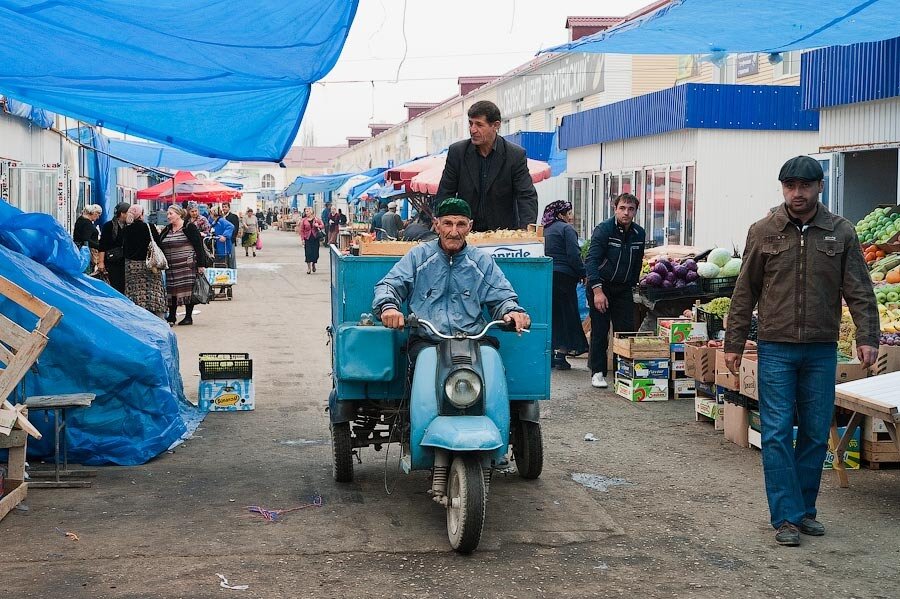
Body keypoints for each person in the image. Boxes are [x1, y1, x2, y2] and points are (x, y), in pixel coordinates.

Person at [724, 156, 879, 547]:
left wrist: (868, 336)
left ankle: (805, 510)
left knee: (813, 432)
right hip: (775, 347)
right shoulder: (763, 231)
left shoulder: (840, 232)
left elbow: (859, 288)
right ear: (782, 188)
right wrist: (734, 342)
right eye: (790, 186)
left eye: (805, 186)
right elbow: (745, 290)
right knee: (776, 432)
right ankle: (786, 518)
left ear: (819, 187)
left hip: (821, 349)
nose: (797, 193)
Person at [374, 198, 530, 370]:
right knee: (423, 374)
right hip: (428, 340)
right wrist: (388, 307)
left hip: (473, 339)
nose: (454, 232)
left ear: (470, 227)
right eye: (448, 223)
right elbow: (390, 285)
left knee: (492, 367)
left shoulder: (482, 260)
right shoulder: (418, 256)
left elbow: (501, 296)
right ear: (437, 224)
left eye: (461, 224)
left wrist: (512, 312)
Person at [435, 100, 538, 232]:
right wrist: (443, 223)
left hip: (502, 235)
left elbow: (526, 196)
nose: (473, 130)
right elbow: (445, 192)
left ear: (495, 125)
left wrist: (527, 231)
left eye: (479, 124)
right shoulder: (457, 152)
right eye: (470, 123)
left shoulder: (515, 155)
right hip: (463, 234)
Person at [585, 193, 646, 389]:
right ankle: (598, 372)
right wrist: (597, 291)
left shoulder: (639, 233)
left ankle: (624, 372)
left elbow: (637, 262)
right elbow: (591, 260)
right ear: (615, 208)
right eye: (622, 208)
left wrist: (634, 285)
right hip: (601, 285)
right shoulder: (604, 230)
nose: (626, 213)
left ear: (636, 211)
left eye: (631, 209)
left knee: (625, 331)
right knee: (600, 330)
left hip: (623, 288)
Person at [543, 200, 589, 370]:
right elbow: (573, 255)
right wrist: (583, 273)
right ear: (560, 214)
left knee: (552, 316)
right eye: (569, 213)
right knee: (568, 316)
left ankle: (551, 355)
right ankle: (562, 355)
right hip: (564, 277)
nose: (571, 217)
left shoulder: (545, 229)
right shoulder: (566, 229)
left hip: (547, 276)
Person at [159, 206, 208, 326]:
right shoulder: (167, 229)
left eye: (170, 214)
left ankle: (188, 317)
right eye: (168, 214)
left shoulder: (189, 227)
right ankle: (172, 316)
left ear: (179, 214)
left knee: (187, 290)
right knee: (172, 290)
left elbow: (198, 246)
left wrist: (201, 264)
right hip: (171, 266)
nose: (168, 216)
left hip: (187, 265)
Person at [120, 205, 166, 317]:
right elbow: (158, 245)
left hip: (131, 266)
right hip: (150, 265)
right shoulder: (149, 227)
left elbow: (124, 248)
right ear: (141, 214)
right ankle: (158, 317)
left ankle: (137, 317)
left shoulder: (126, 230)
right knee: (154, 291)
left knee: (134, 293)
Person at [97, 201, 131, 293]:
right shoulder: (109, 226)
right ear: (122, 213)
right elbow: (102, 245)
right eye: (129, 212)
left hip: (126, 261)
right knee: (115, 285)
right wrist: (101, 262)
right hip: (112, 261)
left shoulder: (130, 226)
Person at [73, 204, 102, 273]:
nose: (98, 218)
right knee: (87, 270)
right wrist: (99, 246)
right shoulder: (87, 224)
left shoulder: (80, 220)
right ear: (94, 213)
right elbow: (86, 239)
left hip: (79, 249)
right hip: (86, 252)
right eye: (98, 215)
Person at [298, 206, 325, 274]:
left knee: (315, 253)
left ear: (311, 212)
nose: (306, 213)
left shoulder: (316, 219)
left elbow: (322, 225)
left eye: (307, 211)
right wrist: (302, 239)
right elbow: (301, 230)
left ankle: (313, 264)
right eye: (306, 211)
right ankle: (309, 267)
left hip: (315, 238)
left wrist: (317, 226)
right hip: (307, 238)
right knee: (308, 253)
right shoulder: (304, 220)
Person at [221, 202, 240, 268]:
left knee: (231, 256)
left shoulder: (233, 216)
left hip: (230, 240)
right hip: (221, 240)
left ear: (229, 208)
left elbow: (235, 229)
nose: (224, 208)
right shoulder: (221, 217)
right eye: (223, 207)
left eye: (226, 207)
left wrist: (232, 238)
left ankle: (233, 270)